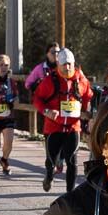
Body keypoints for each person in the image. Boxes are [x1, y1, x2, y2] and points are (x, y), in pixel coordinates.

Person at [33, 48, 94, 193]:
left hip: (73, 127)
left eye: (69, 64)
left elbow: (88, 96)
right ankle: (49, 176)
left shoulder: (81, 80)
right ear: (58, 66)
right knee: (51, 161)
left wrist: (87, 111)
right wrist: (46, 111)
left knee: (72, 161)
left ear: (74, 64)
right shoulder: (50, 81)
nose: (67, 68)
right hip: (53, 127)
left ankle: (70, 194)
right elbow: (37, 98)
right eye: (63, 65)